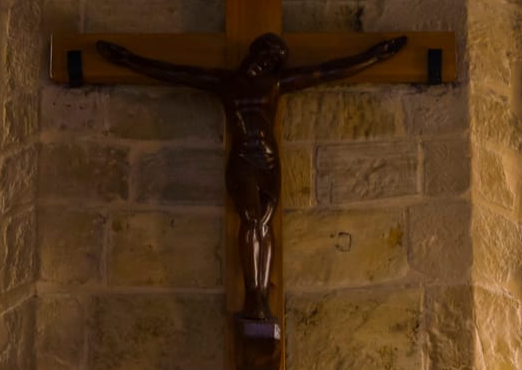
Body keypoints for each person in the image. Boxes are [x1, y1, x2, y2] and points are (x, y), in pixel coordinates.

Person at [98, 33, 407, 330]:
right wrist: (129, 60)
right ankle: (252, 295)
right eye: (265, 55)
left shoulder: (274, 83)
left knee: (265, 224)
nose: (266, 63)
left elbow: (326, 72)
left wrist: (372, 57)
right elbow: (177, 73)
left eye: (273, 61)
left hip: (269, 164)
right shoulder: (226, 82)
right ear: (253, 52)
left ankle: (261, 299)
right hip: (243, 160)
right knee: (251, 219)